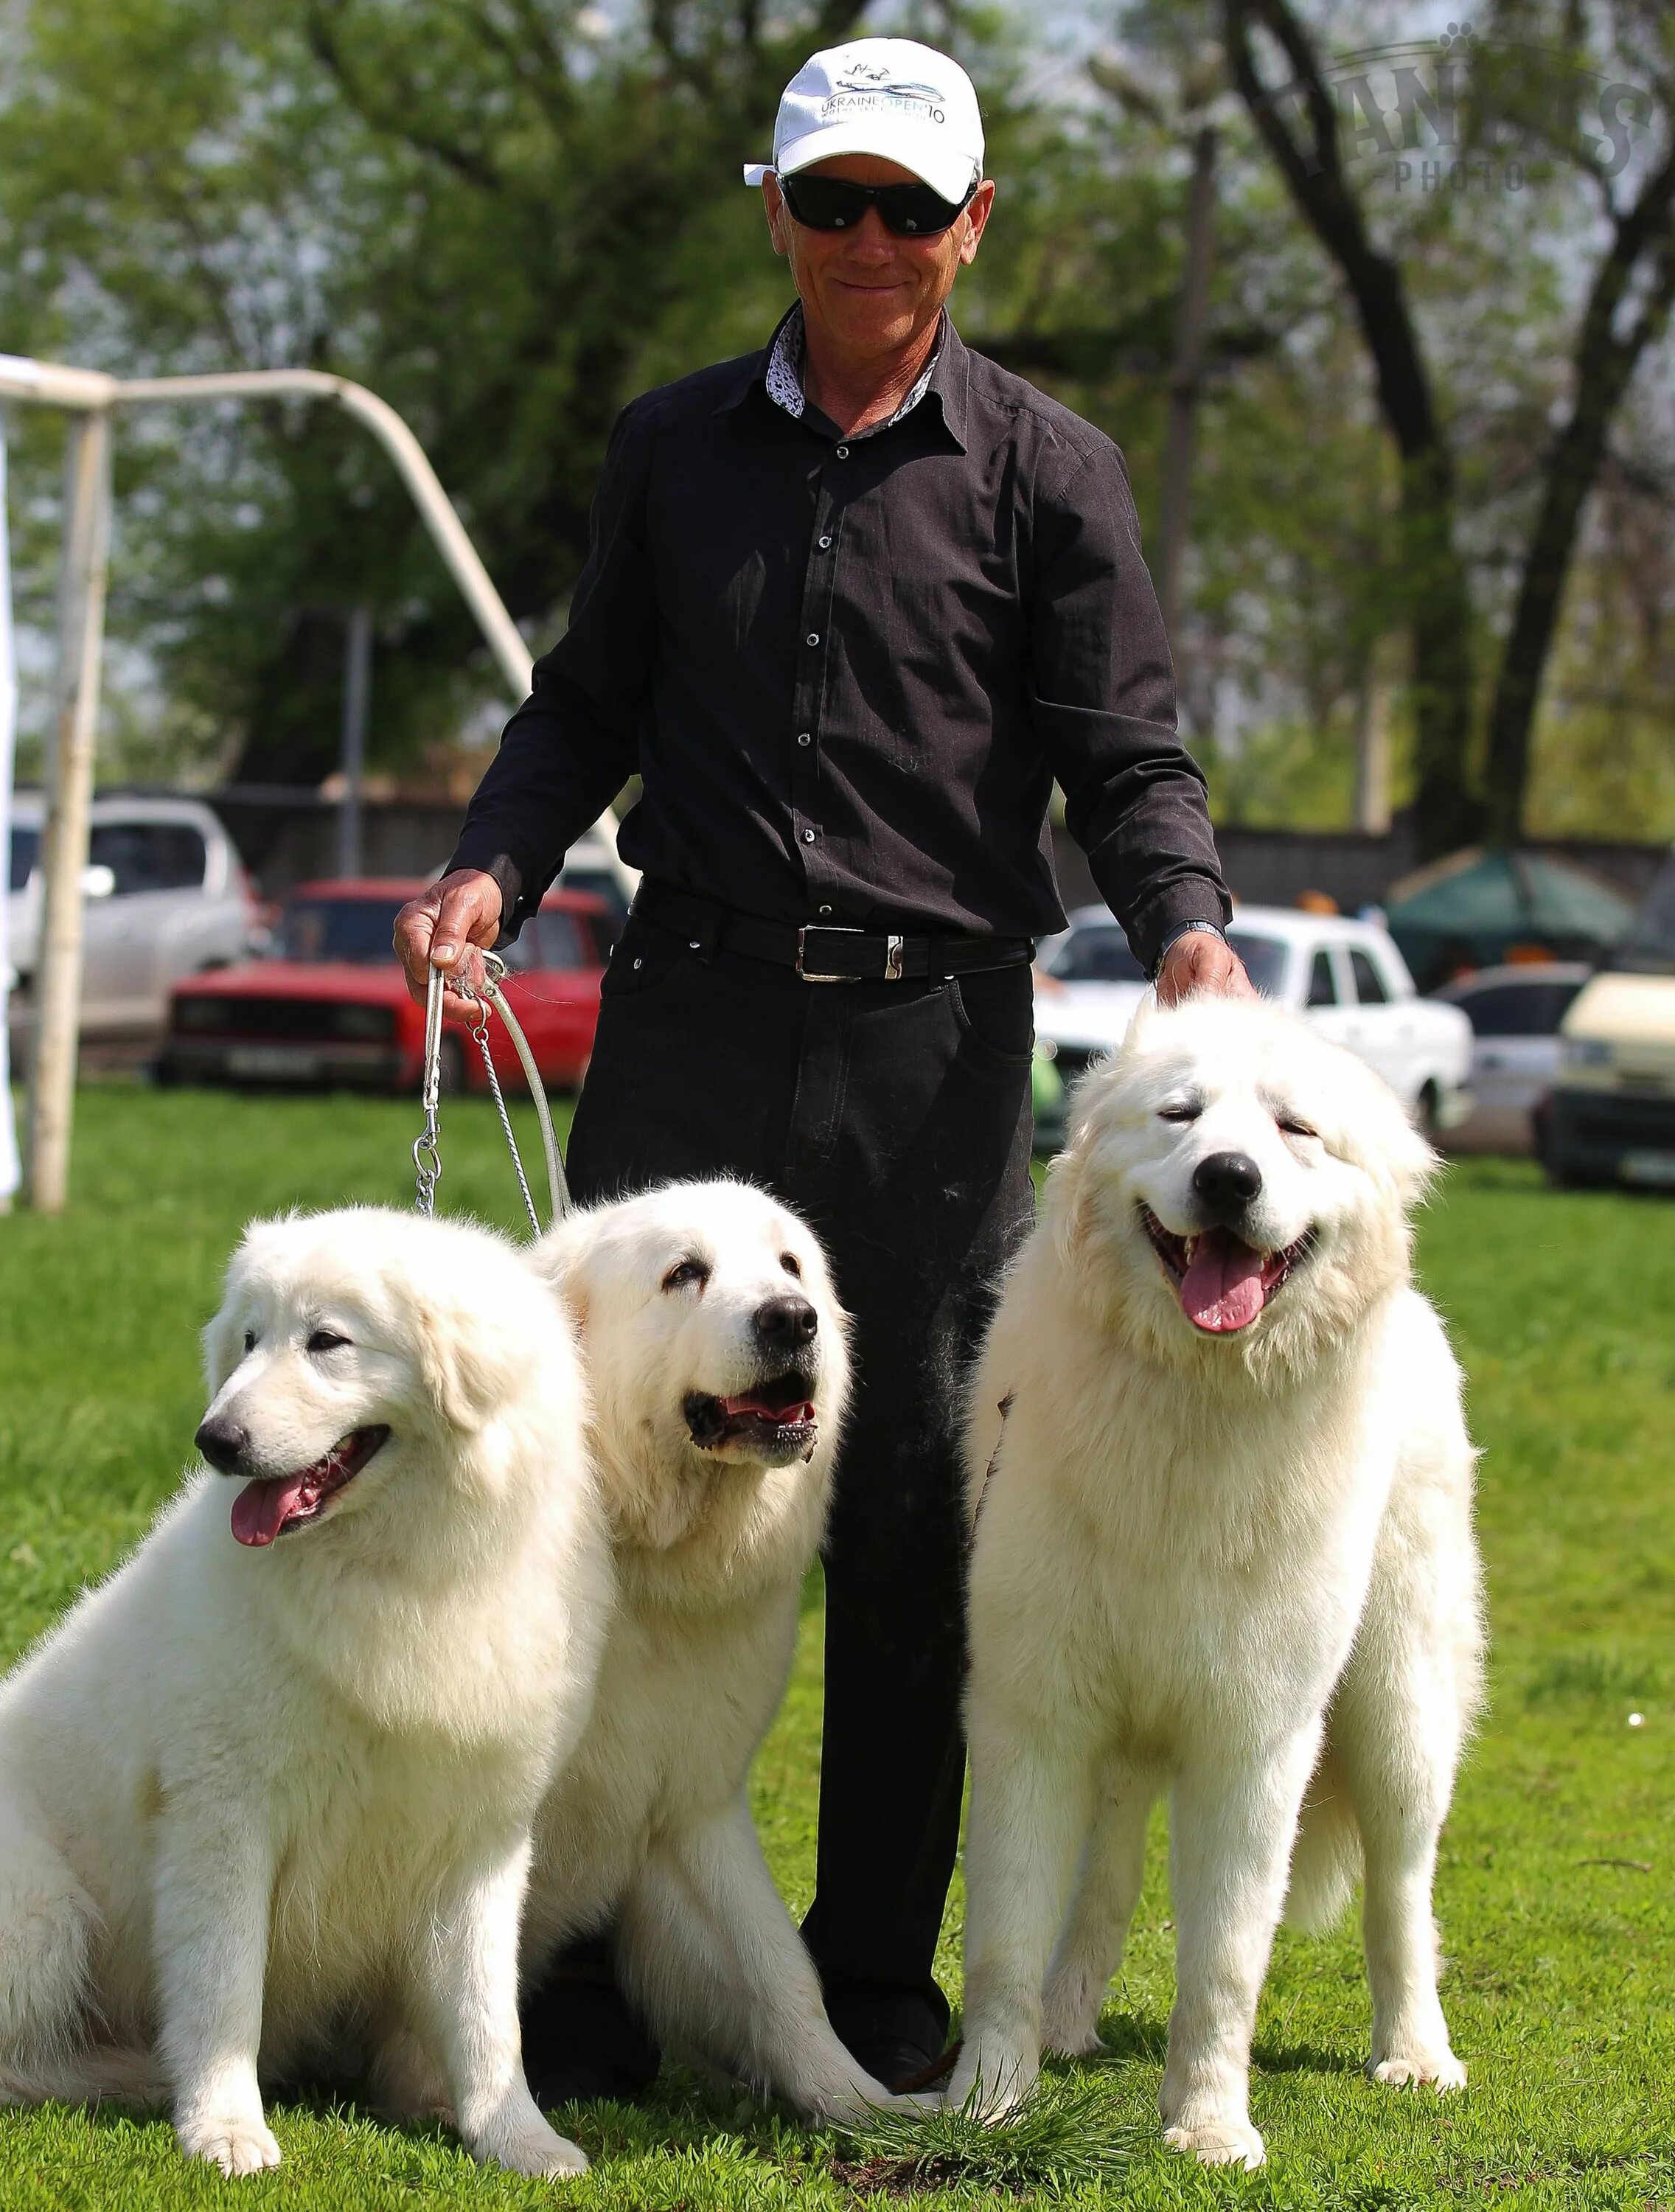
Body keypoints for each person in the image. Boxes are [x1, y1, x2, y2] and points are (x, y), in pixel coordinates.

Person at [395, 35, 1252, 2099]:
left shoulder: (1053, 470)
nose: (871, 239)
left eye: (909, 205)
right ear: (772, 208)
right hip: (685, 1024)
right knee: (595, 1494)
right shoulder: (667, 448)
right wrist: (493, 866)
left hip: (934, 1046)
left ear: (974, 225)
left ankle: (872, 1975)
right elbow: (585, 698)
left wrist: (1192, 931)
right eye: (833, 199)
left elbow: (1125, 752)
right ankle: (572, 1973)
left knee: (901, 1515)